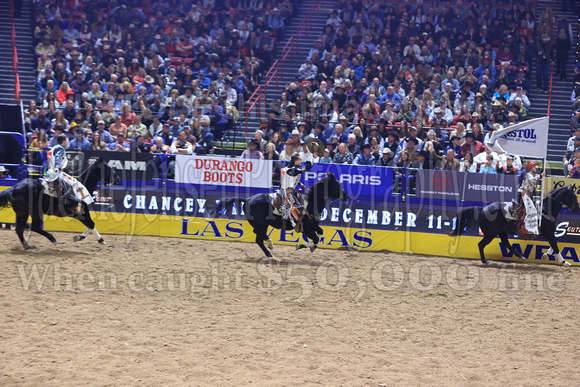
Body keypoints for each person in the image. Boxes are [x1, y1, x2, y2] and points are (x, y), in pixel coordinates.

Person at [45, 134, 93, 215]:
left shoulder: (53, 148)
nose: (67, 143)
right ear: (63, 142)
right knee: (74, 184)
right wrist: (57, 167)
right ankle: (72, 205)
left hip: (51, 172)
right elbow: (57, 158)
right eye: (66, 141)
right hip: (56, 173)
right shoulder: (60, 148)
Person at [280, 153, 312, 231]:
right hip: (286, 191)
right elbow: (305, 168)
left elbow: (288, 179)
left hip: (288, 189)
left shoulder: (287, 169)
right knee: (296, 206)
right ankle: (296, 224)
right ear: (295, 161)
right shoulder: (292, 170)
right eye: (300, 159)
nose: (301, 161)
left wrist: (299, 183)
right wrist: (310, 159)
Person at [519, 161, 546, 235]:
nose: (535, 168)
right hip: (525, 194)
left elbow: (532, 184)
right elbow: (532, 180)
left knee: (532, 209)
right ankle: (526, 228)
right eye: (534, 166)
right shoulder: (529, 174)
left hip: (528, 194)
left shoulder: (531, 174)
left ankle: (530, 227)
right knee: (531, 210)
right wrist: (541, 176)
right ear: (530, 168)